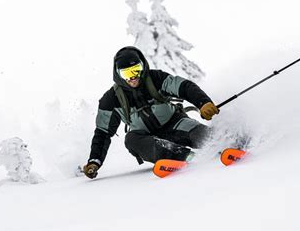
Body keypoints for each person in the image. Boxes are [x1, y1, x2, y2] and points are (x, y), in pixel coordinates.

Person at [82, 46, 219, 179]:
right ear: (118, 74)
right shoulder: (111, 99)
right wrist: (95, 161)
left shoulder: (156, 78)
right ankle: (184, 156)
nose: (133, 77)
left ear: (143, 67)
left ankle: (226, 142)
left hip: (174, 123)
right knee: (131, 140)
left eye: (136, 70)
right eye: (126, 73)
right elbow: (102, 133)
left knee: (202, 135)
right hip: (147, 139)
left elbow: (184, 87)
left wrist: (203, 102)